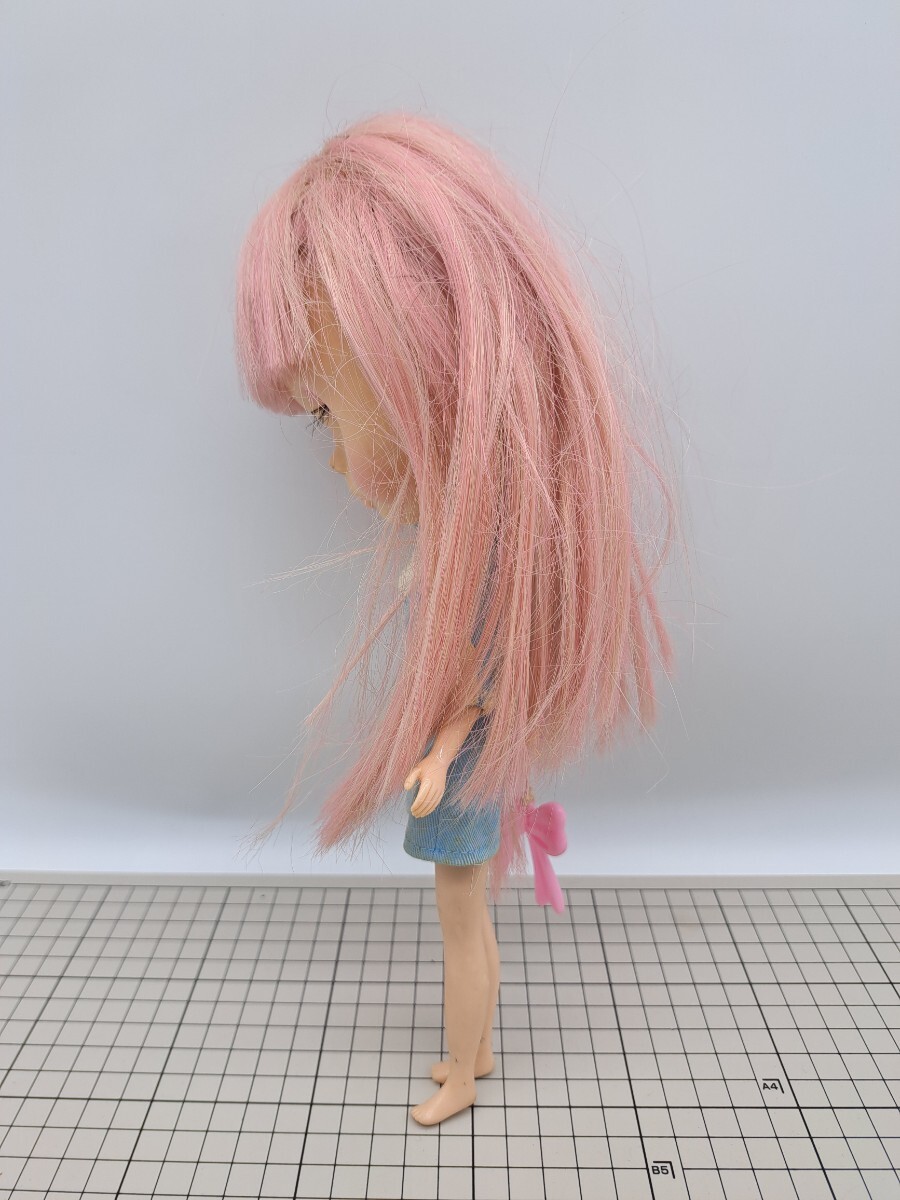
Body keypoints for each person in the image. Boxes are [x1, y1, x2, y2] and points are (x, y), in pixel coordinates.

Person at [233, 110, 677, 1125]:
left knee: (462, 920)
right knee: (467, 919)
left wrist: (438, 753)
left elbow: (484, 679)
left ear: (421, 377)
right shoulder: (473, 547)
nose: (333, 458)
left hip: (463, 767)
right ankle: (471, 1056)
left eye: (327, 412)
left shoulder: (478, 561)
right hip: (470, 761)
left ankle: (467, 1072)